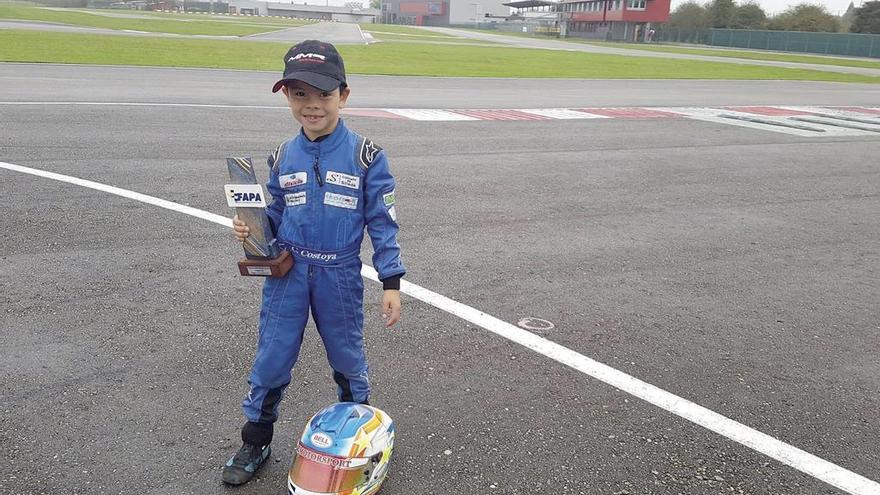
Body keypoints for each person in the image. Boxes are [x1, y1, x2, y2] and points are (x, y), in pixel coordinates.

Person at [221, 39, 406, 486]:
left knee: (346, 355)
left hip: (339, 274)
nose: (312, 105)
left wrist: (391, 280)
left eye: (323, 94)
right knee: (272, 355)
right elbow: (277, 215)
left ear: (343, 94)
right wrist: (252, 228)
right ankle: (256, 437)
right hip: (289, 272)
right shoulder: (283, 156)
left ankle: (357, 434)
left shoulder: (367, 156)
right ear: (287, 96)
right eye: (299, 94)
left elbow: (383, 222)